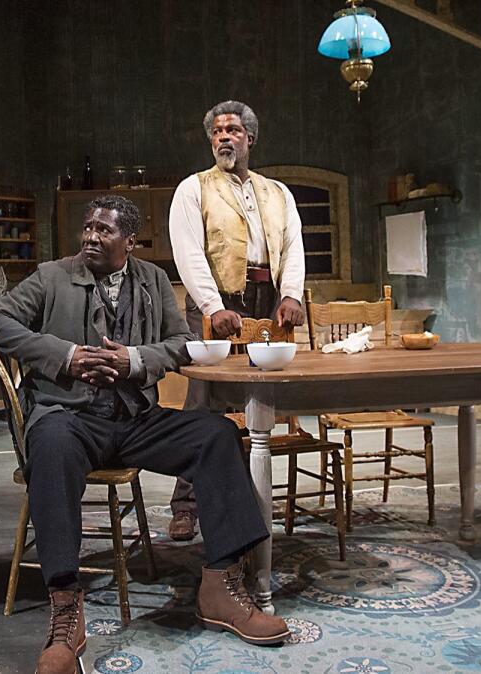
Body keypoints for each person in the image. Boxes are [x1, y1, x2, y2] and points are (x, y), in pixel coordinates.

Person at [0, 195, 290, 674]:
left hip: (135, 419)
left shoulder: (151, 281)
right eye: (87, 228)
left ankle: (220, 585)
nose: (90, 237)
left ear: (130, 240)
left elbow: (178, 344)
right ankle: (65, 608)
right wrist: (64, 355)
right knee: (50, 444)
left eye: (103, 230)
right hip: (71, 416)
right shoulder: (52, 276)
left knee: (216, 435)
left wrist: (136, 360)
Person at [166, 100, 306, 541]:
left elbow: (292, 245)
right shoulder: (194, 188)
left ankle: (242, 496)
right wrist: (211, 306)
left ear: (250, 138)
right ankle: (187, 504)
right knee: (204, 399)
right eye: (217, 132)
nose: (224, 137)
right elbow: (188, 252)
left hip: (267, 300)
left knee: (256, 398)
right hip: (217, 299)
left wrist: (290, 295)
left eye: (233, 130)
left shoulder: (277, 192)